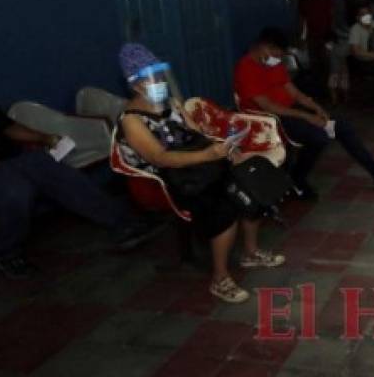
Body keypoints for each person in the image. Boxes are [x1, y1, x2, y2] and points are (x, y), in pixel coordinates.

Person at [0, 48, 152, 280]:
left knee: (61, 175)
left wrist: (42, 137)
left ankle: (122, 224)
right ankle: (6, 252)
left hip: (14, 157)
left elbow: (7, 128)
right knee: (17, 191)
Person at [116, 43, 284, 304]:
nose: (159, 82)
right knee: (224, 205)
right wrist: (208, 155)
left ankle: (250, 252)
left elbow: (198, 134)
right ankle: (220, 278)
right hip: (170, 179)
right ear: (136, 84)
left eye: (161, 76)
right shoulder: (131, 119)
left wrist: (226, 150)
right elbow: (159, 157)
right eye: (153, 78)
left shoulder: (171, 103)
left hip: (200, 166)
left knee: (252, 183)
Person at [234, 28, 374, 201]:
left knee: (342, 126)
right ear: (265, 47)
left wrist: (316, 108)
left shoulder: (274, 65)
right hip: (271, 120)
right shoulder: (246, 68)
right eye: (276, 55)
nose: (278, 60)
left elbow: (294, 93)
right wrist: (306, 116)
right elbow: (268, 106)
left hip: (290, 112)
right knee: (318, 137)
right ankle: (296, 180)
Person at [297, 0, 334, 91]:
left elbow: (332, 15)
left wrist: (331, 36)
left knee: (327, 63)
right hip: (312, 36)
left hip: (326, 35)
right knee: (314, 64)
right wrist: (302, 38)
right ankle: (319, 90)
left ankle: (330, 90)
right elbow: (302, 20)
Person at [324, 29, 350, 106]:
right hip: (344, 69)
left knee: (332, 86)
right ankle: (346, 99)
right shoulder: (343, 44)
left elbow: (326, 55)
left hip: (334, 69)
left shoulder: (329, 45)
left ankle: (334, 101)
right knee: (344, 85)